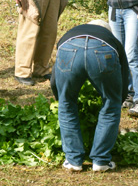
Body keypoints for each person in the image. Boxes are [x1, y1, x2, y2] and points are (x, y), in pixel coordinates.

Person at [50, 20, 129, 172]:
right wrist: (118, 100)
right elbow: (124, 75)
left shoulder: (71, 33)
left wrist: (59, 97)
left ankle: (73, 161)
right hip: (103, 52)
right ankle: (101, 161)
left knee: (66, 104)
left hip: (69, 48)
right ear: (107, 31)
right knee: (111, 103)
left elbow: (54, 77)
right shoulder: (111, 39)